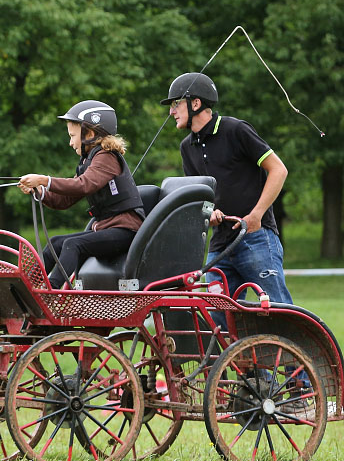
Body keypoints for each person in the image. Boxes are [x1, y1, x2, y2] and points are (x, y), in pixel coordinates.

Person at [162, 72, 292, 305]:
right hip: (219, 247)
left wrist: (257, 215)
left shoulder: (235, 130)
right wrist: (207, 213)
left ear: (196, 103)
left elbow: (279, 170)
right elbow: (200, 198)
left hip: (256, 238)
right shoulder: (186, 147)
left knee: (279, 312)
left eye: (175, 103)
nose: (171, 111)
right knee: (218, 322)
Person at [19, 100, 144, 289]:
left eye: (72, 136)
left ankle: (50, 290)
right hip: (107, 230)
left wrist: (45, 180)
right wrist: (40, 191)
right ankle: (28, 286)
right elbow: (64, 200)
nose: (70, 142)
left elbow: (83, 185)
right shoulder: (89, 161)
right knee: (55, 243)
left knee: (72, 244)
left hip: (125, 231)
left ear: (90, 134)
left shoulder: (106, 157)